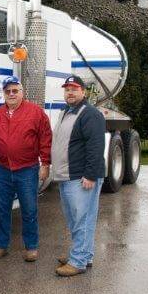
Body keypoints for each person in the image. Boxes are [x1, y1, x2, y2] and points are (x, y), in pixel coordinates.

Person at [0, 77, 52, 261]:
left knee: (29, 209)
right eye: (8, 91)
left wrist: (45, 164)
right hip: (3, 169)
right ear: (4, 94)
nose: (12, 94)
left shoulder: (36, 112)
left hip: (27, 169)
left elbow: (45, 139)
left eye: (15, 90)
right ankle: (0, 245)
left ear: (22, 92)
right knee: (2, 209)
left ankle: (31, 247)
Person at [51, 74, 106, 277]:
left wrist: (90, 175)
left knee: (81, 218)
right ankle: (84, 254)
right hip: (68, 175)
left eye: (74, 88)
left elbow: (96, 146)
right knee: (78, 219)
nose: (70, 92)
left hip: (81, 177)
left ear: (83, 91)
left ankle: (78, 261)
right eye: (67, 89)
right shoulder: (66, 112)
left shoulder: (90, 114)